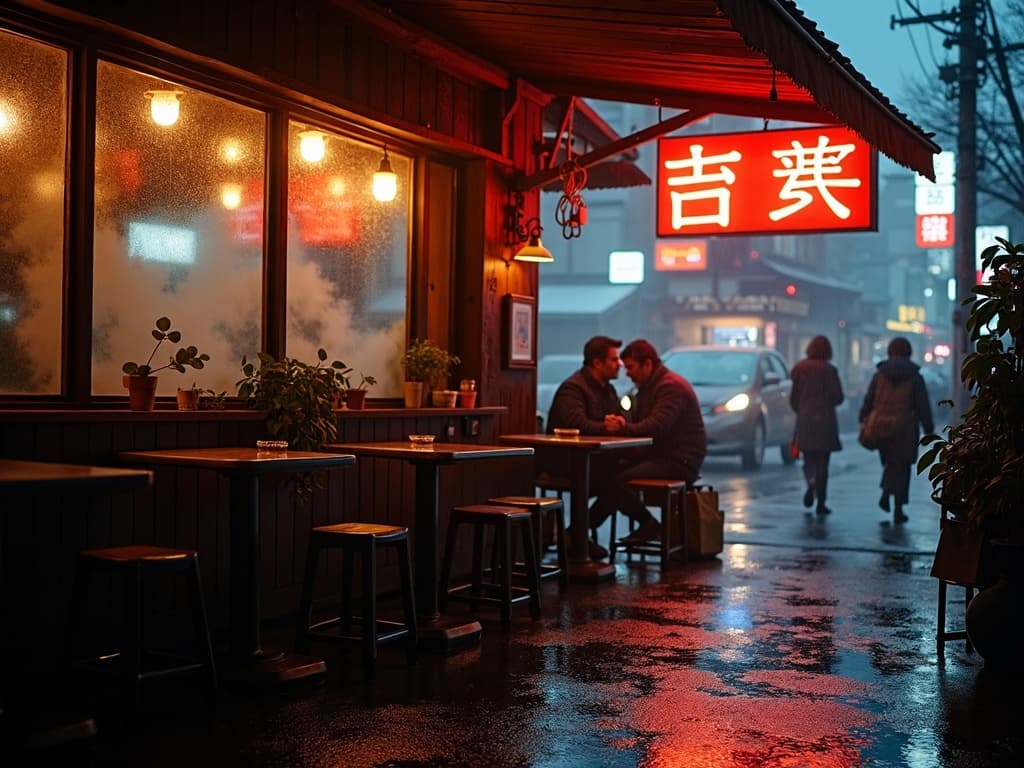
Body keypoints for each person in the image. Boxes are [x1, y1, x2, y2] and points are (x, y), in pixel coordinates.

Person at [589, 339, 707, 545]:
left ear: (648, 364)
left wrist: (623, 427)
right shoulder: (650, 387)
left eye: (631, 367)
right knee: (610, 477)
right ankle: (584, 531)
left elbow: (656, 427)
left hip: (680, 461)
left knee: (619, 481)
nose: (627, 373)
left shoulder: (670, 387)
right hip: (662, 456)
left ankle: (583, 530)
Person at [545, 336, 627, 558]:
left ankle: (576, 534)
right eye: (614, 359)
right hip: (565, 461)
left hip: (594, 460)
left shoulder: (607, 389)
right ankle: (578, 537)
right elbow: (575, 423)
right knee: (620, 483)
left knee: (624, 479)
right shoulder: (573, 388)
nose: (619, 364)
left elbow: (619, 414)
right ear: (597, 363)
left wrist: (620, 421)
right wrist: (606, 426)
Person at [859, 337, 934, 524]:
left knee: (891, 463)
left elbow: (870, 399)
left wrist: (864, 416)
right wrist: (928, 428)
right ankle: (898, 507)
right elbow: (922, 405)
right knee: (902, 467)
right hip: (905, 428)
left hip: (881, 427)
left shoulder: (879, 375)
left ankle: (887, 493)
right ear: (908, 352)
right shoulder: (915, 377)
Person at [789, 335, 845, 516]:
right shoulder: (830, 370)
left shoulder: (799, 368)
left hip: (805, 419)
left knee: (808, 460)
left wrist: (802, 410)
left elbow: (794, 398)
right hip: (825, 421)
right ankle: (821, 502)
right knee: (823, 462)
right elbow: (838, 397)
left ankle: (810, 481)